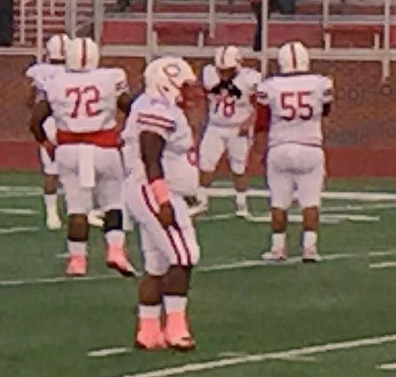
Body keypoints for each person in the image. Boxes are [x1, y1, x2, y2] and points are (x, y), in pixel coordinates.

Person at [30, 35, 133, 278]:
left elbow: (35, 120)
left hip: (69, 150)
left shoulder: (56, 81)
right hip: (105, 148)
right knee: (113, 202)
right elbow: (130, 107)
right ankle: (115, 250)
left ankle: (77, 260)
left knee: (77, 208)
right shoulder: (110, 77)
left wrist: (46, 142)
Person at [124, 57, 202, 351]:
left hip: (153, 189)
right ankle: (176, 328)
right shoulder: (157, 110)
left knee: (157, 265)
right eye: (185, 86)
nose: (191, 92)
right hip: (155, 190)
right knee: (184, 256)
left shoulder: (155, 106)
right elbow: (150, 154)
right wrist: (163, 200)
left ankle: (148, 330)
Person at [254, 41, 334, 263]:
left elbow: (262, 120)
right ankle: (309, 248)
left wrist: (260, 148)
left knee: (278, 202)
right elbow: (326, 110)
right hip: (310, 145)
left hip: (279, 146)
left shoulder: (269, 85)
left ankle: (278, 248)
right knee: (311, 201)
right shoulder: (321, 83)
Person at [197, 46, 260, 220]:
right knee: (206, 164)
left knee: (239, 168)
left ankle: (241, 203)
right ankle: (201, 201)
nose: (224, 74)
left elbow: (260, 104)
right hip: (215, 126)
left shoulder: (249, 78)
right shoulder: (209, 73)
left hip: (238, 128)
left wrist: (249, 122)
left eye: (228, 70)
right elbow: (205, 98)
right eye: (221, 70)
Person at [24, 33, 68, 231]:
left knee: (51, 170)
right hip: (71, 121)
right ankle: (85, 210)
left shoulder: (39, 71)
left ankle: (52, 214)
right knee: (81, 167)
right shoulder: (75, 73)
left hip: (48, 123)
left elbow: (29, 100)